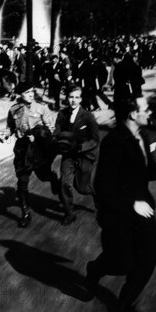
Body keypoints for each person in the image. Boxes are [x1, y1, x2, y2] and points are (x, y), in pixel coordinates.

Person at [86, 97, 156, 312]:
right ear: (133, 114)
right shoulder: (114, 142)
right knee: (123, 262)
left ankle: (125, 302)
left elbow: (149, 173)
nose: (149, 111)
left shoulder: (143, 136)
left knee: (149, 258)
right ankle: (94, 270)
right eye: (145, 109)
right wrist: (131, 202)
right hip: (118, 212)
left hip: (144, 209)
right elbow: (103, 185)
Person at [0, 87, 59, 228]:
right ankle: (25, 214)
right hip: (22, 149)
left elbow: (50, 128)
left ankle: (53, 177)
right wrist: (5, 135)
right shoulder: (14, 109)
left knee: (43, 176)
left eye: (32, 92)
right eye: (27, 92)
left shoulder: (41, 108)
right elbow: (10, 126)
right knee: (22, 181)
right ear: (20, 94)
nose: (30, 95)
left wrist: (39, 135)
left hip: (37, 149)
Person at [53, 88, 99, 225]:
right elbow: (58, 130)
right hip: (68, 155)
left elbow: (95, 139)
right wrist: (56, 138)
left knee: (82, 188)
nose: (73, 100)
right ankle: (69, 213)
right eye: (71, 97)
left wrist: (82, 147)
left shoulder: (88, 116)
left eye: (76, 97)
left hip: (85, 156)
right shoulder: (62, 114)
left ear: (80, 99)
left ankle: (96, 194)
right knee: (64, 183)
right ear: (67, 98)